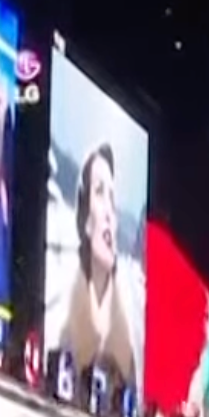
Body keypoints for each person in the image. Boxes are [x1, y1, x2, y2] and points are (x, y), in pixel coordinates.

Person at [55, 143, 138, 388]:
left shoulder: (129, 332)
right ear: (85, 216)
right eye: (100, 192)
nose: (110, 213)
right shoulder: (60, 312)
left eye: (112, 198)